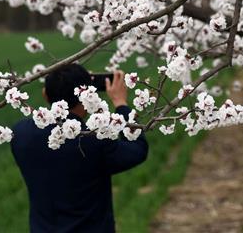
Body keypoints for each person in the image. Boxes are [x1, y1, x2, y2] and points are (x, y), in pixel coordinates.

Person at [11, 65, 149, 233]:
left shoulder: (19, 134)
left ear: (45, 94)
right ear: (88, 97)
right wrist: (121, 105)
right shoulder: (95, 140)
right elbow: (137, 149)